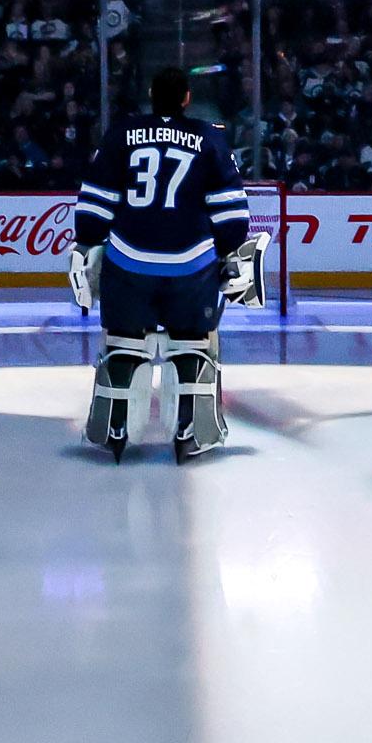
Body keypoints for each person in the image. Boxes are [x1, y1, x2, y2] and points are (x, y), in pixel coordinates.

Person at [71, 67, 256, 463]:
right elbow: (229, 209)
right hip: (191, 266)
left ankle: (115, 424)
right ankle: (190, 427)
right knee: (191, 344)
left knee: (124, 343)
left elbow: (96, 199)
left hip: (128, 260)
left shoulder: (122, 133)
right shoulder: (209, 137)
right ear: (187, 98)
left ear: (151, 94)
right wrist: (231, 251)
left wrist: (87, 243)